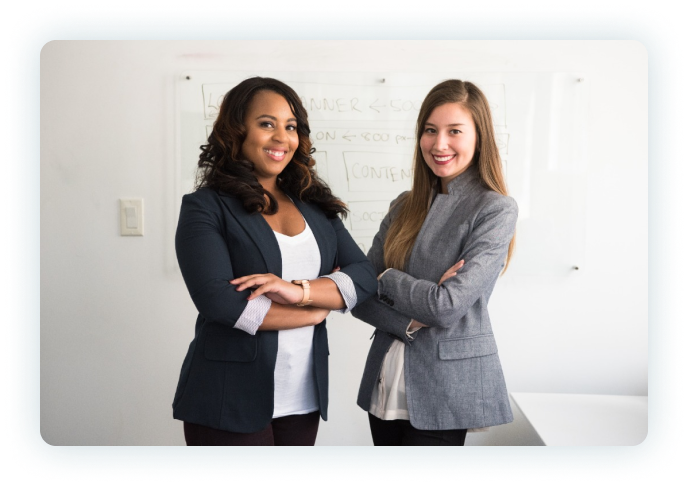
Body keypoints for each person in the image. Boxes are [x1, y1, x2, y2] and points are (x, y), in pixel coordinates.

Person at [173, 77, 377, 446]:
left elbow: (363, 276)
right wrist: (313, 312)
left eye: (291, 126)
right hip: (228, 397)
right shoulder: (205, 207)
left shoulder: (315, 206)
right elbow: (220, 302)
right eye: (267, 124)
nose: (282, 137)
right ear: (237, 131)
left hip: (302, 397)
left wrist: (299, 292)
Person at [351, 79, 518, 446]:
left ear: (479, 138)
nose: (439, 144)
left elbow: (445, 307)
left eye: (454, 131)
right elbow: (360, 296)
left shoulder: (495, 209)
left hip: (445, 388)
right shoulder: (403, 205)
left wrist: (386, 277)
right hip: (385, 379)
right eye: (430, 130)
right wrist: (409, 319)